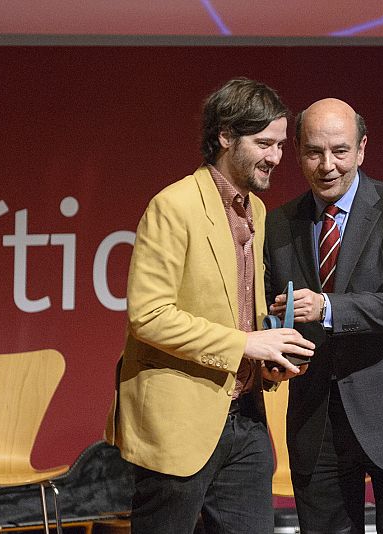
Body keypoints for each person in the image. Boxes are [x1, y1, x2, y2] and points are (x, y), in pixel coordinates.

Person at [107, 78, 314, 534]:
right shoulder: (173, 206)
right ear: (224, 136)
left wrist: (271, 353)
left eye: (280, 145)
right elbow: (150, 316)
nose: (276, 157)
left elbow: (240, 308)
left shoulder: (257, 211)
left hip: (247, 418)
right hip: (180, 421)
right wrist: (245, 343)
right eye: (263, 143)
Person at [264, 98, 383, 534]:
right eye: (314, 152)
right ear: (297, 153)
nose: (327, 165)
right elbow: (274, 311)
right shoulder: (278, 224)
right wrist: (273, 350)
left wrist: (326, 307)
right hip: (317, 419)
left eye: (340, 151)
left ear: (362, 149)